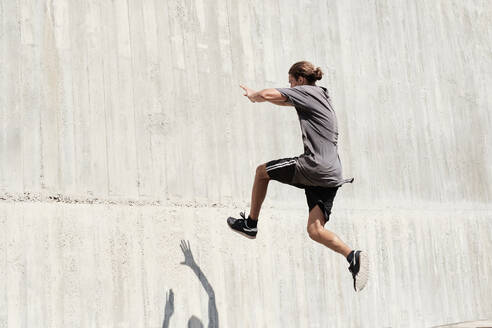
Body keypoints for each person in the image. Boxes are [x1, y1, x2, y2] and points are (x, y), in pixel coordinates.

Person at [226, 61, 369, 292]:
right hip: (332, 174)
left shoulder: (307, 91)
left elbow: (272, 94)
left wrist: (255, 95)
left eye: (291, 82)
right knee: (315, 230)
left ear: (300, 80)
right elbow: (283, 100)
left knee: (262, 173)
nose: (290, 87)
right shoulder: (321, 96)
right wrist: (272, 98)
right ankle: (353, 256)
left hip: (314, 166)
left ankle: (250, 224)